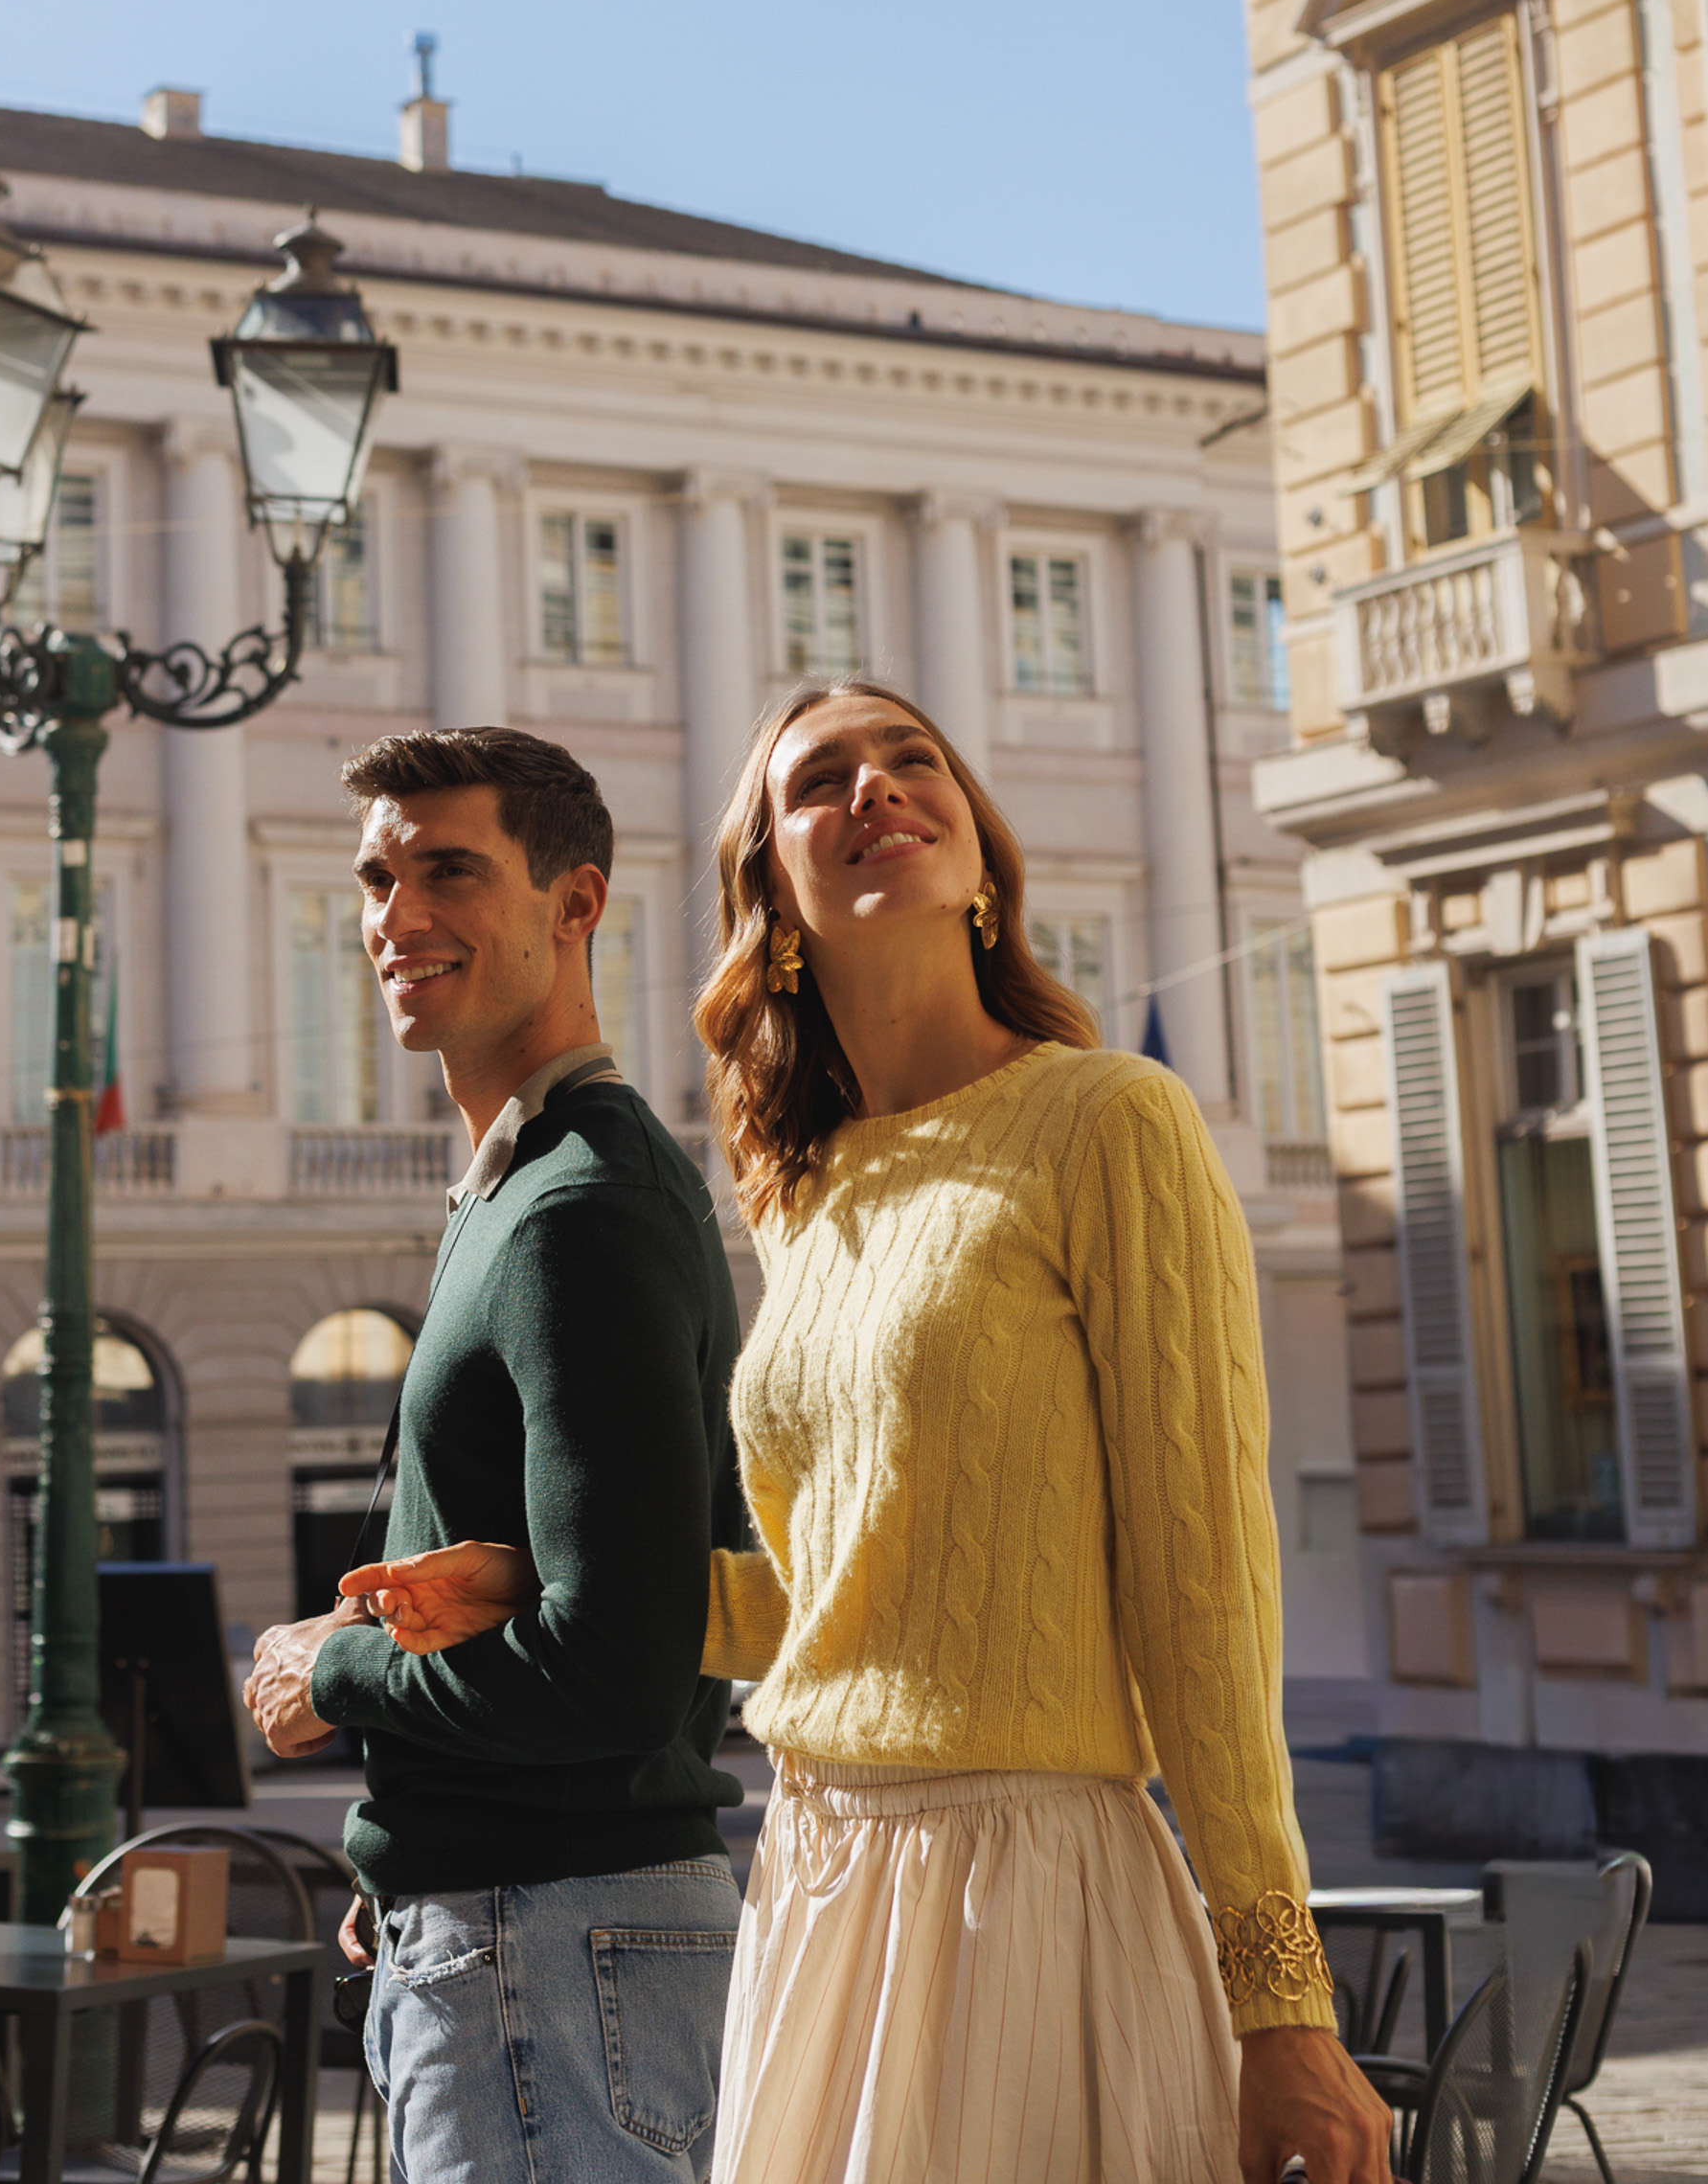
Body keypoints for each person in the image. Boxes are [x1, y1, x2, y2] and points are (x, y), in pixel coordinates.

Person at [686, 677, 1391, 2184]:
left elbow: (1204, 1584)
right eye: (821, 779)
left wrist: (1280, 2000)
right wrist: (532, 1590)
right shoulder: (799, 1193)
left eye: (910, 759)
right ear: (774, 893)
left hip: (1025, 1874)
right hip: (812, 1878)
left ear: (981, 864)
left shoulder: (1109, 1120)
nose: (874, 787)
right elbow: (839, 1603)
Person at [241, 726, 747, 2184]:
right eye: (375, 878)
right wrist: (414, 1847)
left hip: (553, 1946)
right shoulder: (526, 1193)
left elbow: (618, 1664)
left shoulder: (574, 1206)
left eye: (448, 870)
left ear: (575, 903)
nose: (394, 917)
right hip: (529, 1935)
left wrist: (328, 1670)